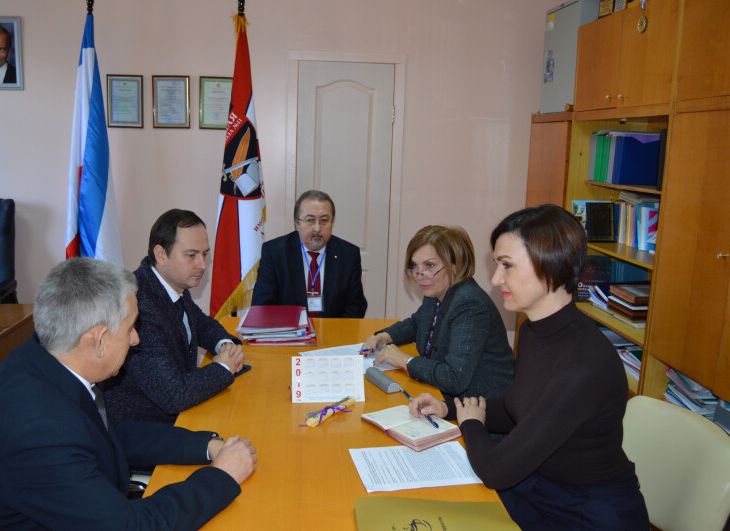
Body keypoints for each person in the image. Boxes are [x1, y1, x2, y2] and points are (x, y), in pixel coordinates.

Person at [0, 258, 257, 530]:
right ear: (99, 340)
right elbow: (130, 527)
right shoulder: (39, 431)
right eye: (131, 328)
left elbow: (110, 432)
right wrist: (221, 477)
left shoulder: (45, 357)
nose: (136, 339)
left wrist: (206, 446)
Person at [409, 205, 649, 530]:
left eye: (507, 265)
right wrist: (448, 407)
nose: (496, 279)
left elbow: (496, 471)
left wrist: (471, 423)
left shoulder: (583, 366)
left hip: (588, 513)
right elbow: (519, 410)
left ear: (549, 265)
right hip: (540, 487)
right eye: (497, 264)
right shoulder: (534, 331)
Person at [104, 209, 246, 424]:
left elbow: (200, 324)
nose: (202, 265)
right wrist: (223, 367)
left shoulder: (171, 284)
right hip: (148, 425)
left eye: (205, 254)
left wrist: (225, 345)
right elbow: (174, 395)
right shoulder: (137, 306)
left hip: (184, 408)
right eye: (191, 255)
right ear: (161, 255)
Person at [361, 225, 514, 404]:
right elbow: (416, 324)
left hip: (479, 407)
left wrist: (404, 360)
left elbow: (454, 378)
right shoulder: (436, 292)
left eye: (430, 265)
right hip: (441, 395)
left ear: (455, 266)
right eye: (415, 266)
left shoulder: (470, 304)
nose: (420, 275)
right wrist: (384, 336)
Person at [251, 190, 367, 318]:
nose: (317, 228)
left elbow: (356, 306)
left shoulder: (348, 254)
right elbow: (262, 306)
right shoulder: (275, 253)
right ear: (297, 223)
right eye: (310, 220)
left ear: (332, 222)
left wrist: (333, 329)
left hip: (333, 329)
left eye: (324, 220)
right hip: (289, 328)